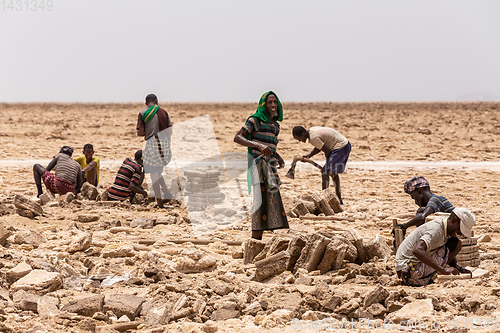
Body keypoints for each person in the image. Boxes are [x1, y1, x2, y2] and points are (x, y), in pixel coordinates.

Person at [234, 91, 289, 240]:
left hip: (270, 165)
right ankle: (254, 240)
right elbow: (238, 138)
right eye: (269, 102)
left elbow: (270, 147)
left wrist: (277, 156)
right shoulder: (254, 120)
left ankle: (258, 239)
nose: (273, 105)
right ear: (264, 105)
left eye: (275, 102)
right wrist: (257, 144)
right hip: (258, 164)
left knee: (268, 201)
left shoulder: (275, 126)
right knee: (259, 200)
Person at [395, 208, 475, 286]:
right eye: (459, 230)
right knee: (450, 246)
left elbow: (447, 251)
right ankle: (428, 276)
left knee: (455, 243)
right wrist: (443, 270)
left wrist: (459, 268)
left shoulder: (444, 228)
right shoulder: (436, 230)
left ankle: (432, 273)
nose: (460, 233)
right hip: (408, 272)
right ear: (454, 221)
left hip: (409, 268)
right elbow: (417, 250)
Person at [292, 126, 351, 204]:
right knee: (333, 173)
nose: (300, 141)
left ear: (303, 134)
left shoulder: (313, 138)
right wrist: (309, 155)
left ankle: (324, 198)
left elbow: (327, 151)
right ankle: (339, 199)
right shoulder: (312, 131)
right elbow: (320, 146)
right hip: (344, 145)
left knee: (325, 172)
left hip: (340, 147)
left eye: (299, 138)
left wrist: (327, 165)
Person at [136, 94, 173, 209]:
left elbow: (141, 133)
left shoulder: (143, 113)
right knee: (157, 171)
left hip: (153, 144)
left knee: (153, 173)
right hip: (165, 145)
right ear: (156, 101)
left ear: (146, 103)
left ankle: (160, 203)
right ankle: (167, 193)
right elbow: (170, 131)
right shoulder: (164, 112)